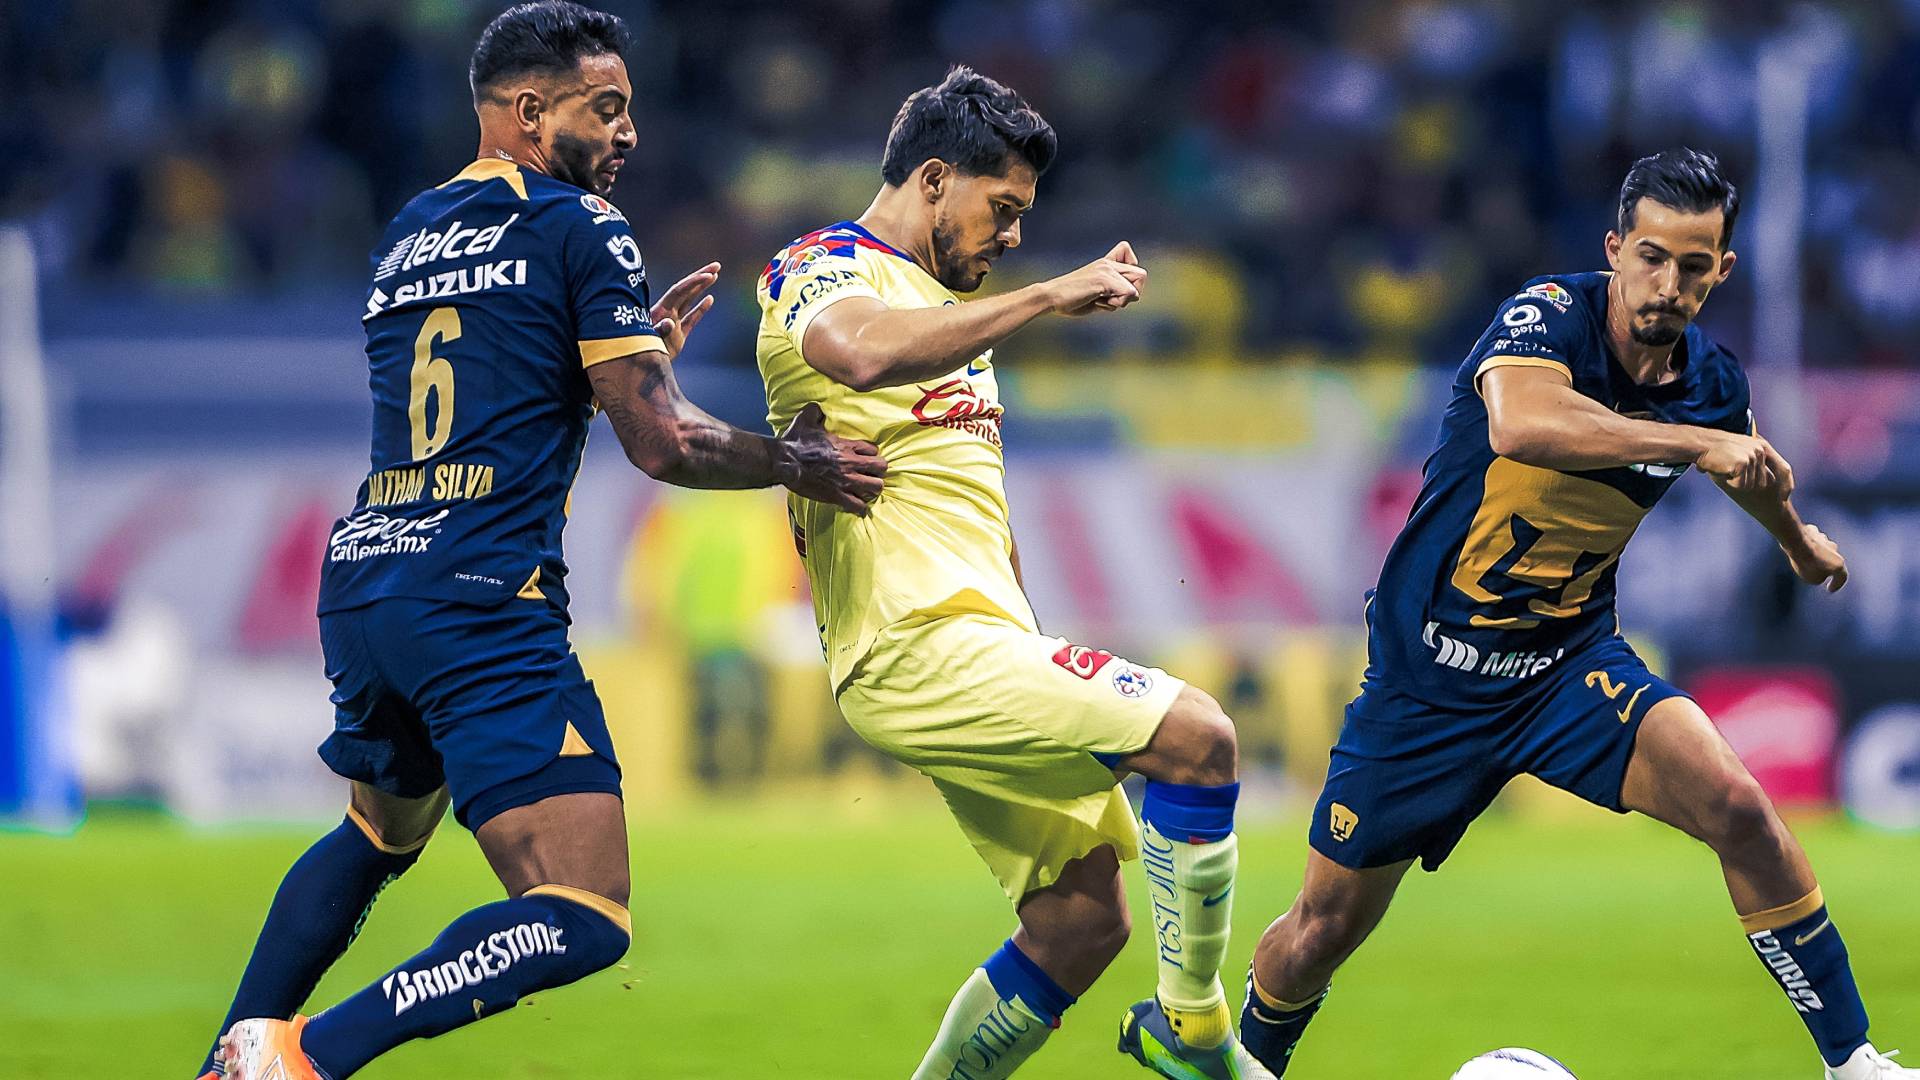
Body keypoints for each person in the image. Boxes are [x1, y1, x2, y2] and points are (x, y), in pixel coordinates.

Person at [198, 4, 883, 1077]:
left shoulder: (408, 232)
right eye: (604, 109)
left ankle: (226, 1055)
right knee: (583, 909)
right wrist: (794, 462)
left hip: (371, 580)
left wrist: (619, 355)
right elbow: (663, 442)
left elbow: (492, 383)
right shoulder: (581, 226)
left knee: (379, 833)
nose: (628, 132)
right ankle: (306, 1057)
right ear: (528, 111)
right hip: (478, 595)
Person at [1239, 148, 1912, 1080]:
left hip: (1567, 668)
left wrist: (1797, 542)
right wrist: (1696, 444)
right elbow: (1523, 424)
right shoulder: (1548, 316)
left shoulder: (1711, 384)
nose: (1667, 284)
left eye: (1692, 266)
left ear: (1721, 271)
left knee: (1739, 807)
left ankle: (1856, 1066)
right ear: (1614, 249)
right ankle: (1243, 1062)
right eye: (1651, 257)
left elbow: (1747, 463)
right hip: (1429, 683)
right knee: (1321, 930)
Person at [754, 66, 1272, 1080]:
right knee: (1200, 737)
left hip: (978, 640)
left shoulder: (953, 322)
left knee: (1082, 921)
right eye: (1003, 208)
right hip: (908, 644)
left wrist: (1032, 640)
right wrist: (1047, 296)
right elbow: (856, 355)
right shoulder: (820, 266)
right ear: (933, 180)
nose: (1015, 237)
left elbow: (976, 511)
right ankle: (1195, 1030)